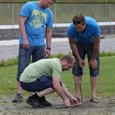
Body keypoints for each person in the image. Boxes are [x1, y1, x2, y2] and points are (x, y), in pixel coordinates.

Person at [12, 0, 56, 103]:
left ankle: (37, 94)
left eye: (51, 4)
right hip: (26, 44)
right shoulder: (29, 6)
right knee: (22, 67)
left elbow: (49, 30)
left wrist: (49, 47)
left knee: (39, 70)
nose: (49, 5)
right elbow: (21, 22)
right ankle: (19, 93)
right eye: (48, 2)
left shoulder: (49, 13)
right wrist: (25, 39)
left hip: (40, 44)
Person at [67, 14, 101, 103]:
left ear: (84, 24)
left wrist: (93, 59)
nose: (77, 30)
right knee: (77, 68)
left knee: (94, 67)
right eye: (76, 28)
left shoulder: (94, 26)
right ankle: (78, 96)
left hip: (92, 44)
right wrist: (78, 59)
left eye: (79, 28)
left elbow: (97, 44)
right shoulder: (71, 28)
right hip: (78, 45)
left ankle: (93, 95)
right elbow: (72, 44)